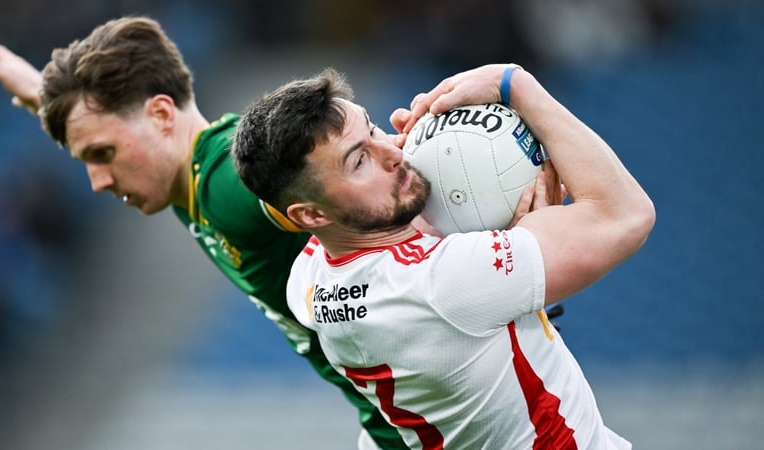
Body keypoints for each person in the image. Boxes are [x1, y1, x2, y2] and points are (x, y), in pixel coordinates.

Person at [0, 16, 558, 449]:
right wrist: (41, 92)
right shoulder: (186, 174)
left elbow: (329, 173)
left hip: (446, 433)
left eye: (102, 153)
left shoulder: (227, 185)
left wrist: (492, 236)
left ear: (161, 115)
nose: (97, 180)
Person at [232, 66, 655, 449]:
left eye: (375, 129)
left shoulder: (309, 280)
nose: (394, 151)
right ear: (311, 214)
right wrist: (514, 85)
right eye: (360, 161)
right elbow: (626, 215)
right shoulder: (444, 282)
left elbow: (398, 251)